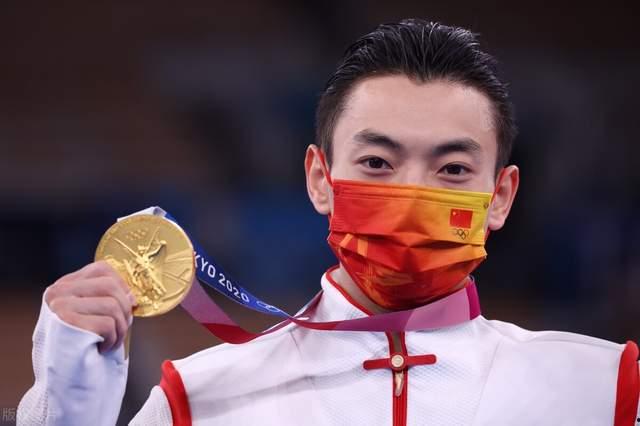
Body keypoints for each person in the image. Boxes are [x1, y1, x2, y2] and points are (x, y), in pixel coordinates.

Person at [17, 19, 639, 426]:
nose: (409, 196)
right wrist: (66, 412)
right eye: (377, 163)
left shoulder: (606, 390)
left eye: (452, 169)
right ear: (319, 178)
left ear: (500, 197)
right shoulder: (197, 400)